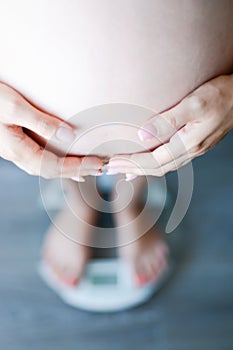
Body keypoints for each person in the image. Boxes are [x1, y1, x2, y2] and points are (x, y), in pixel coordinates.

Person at [0, 0, 233, 286]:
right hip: (43, 129)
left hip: (183, 118)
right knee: (70, 162)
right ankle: (80, 199)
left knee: (144, 161)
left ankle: (128, 199)